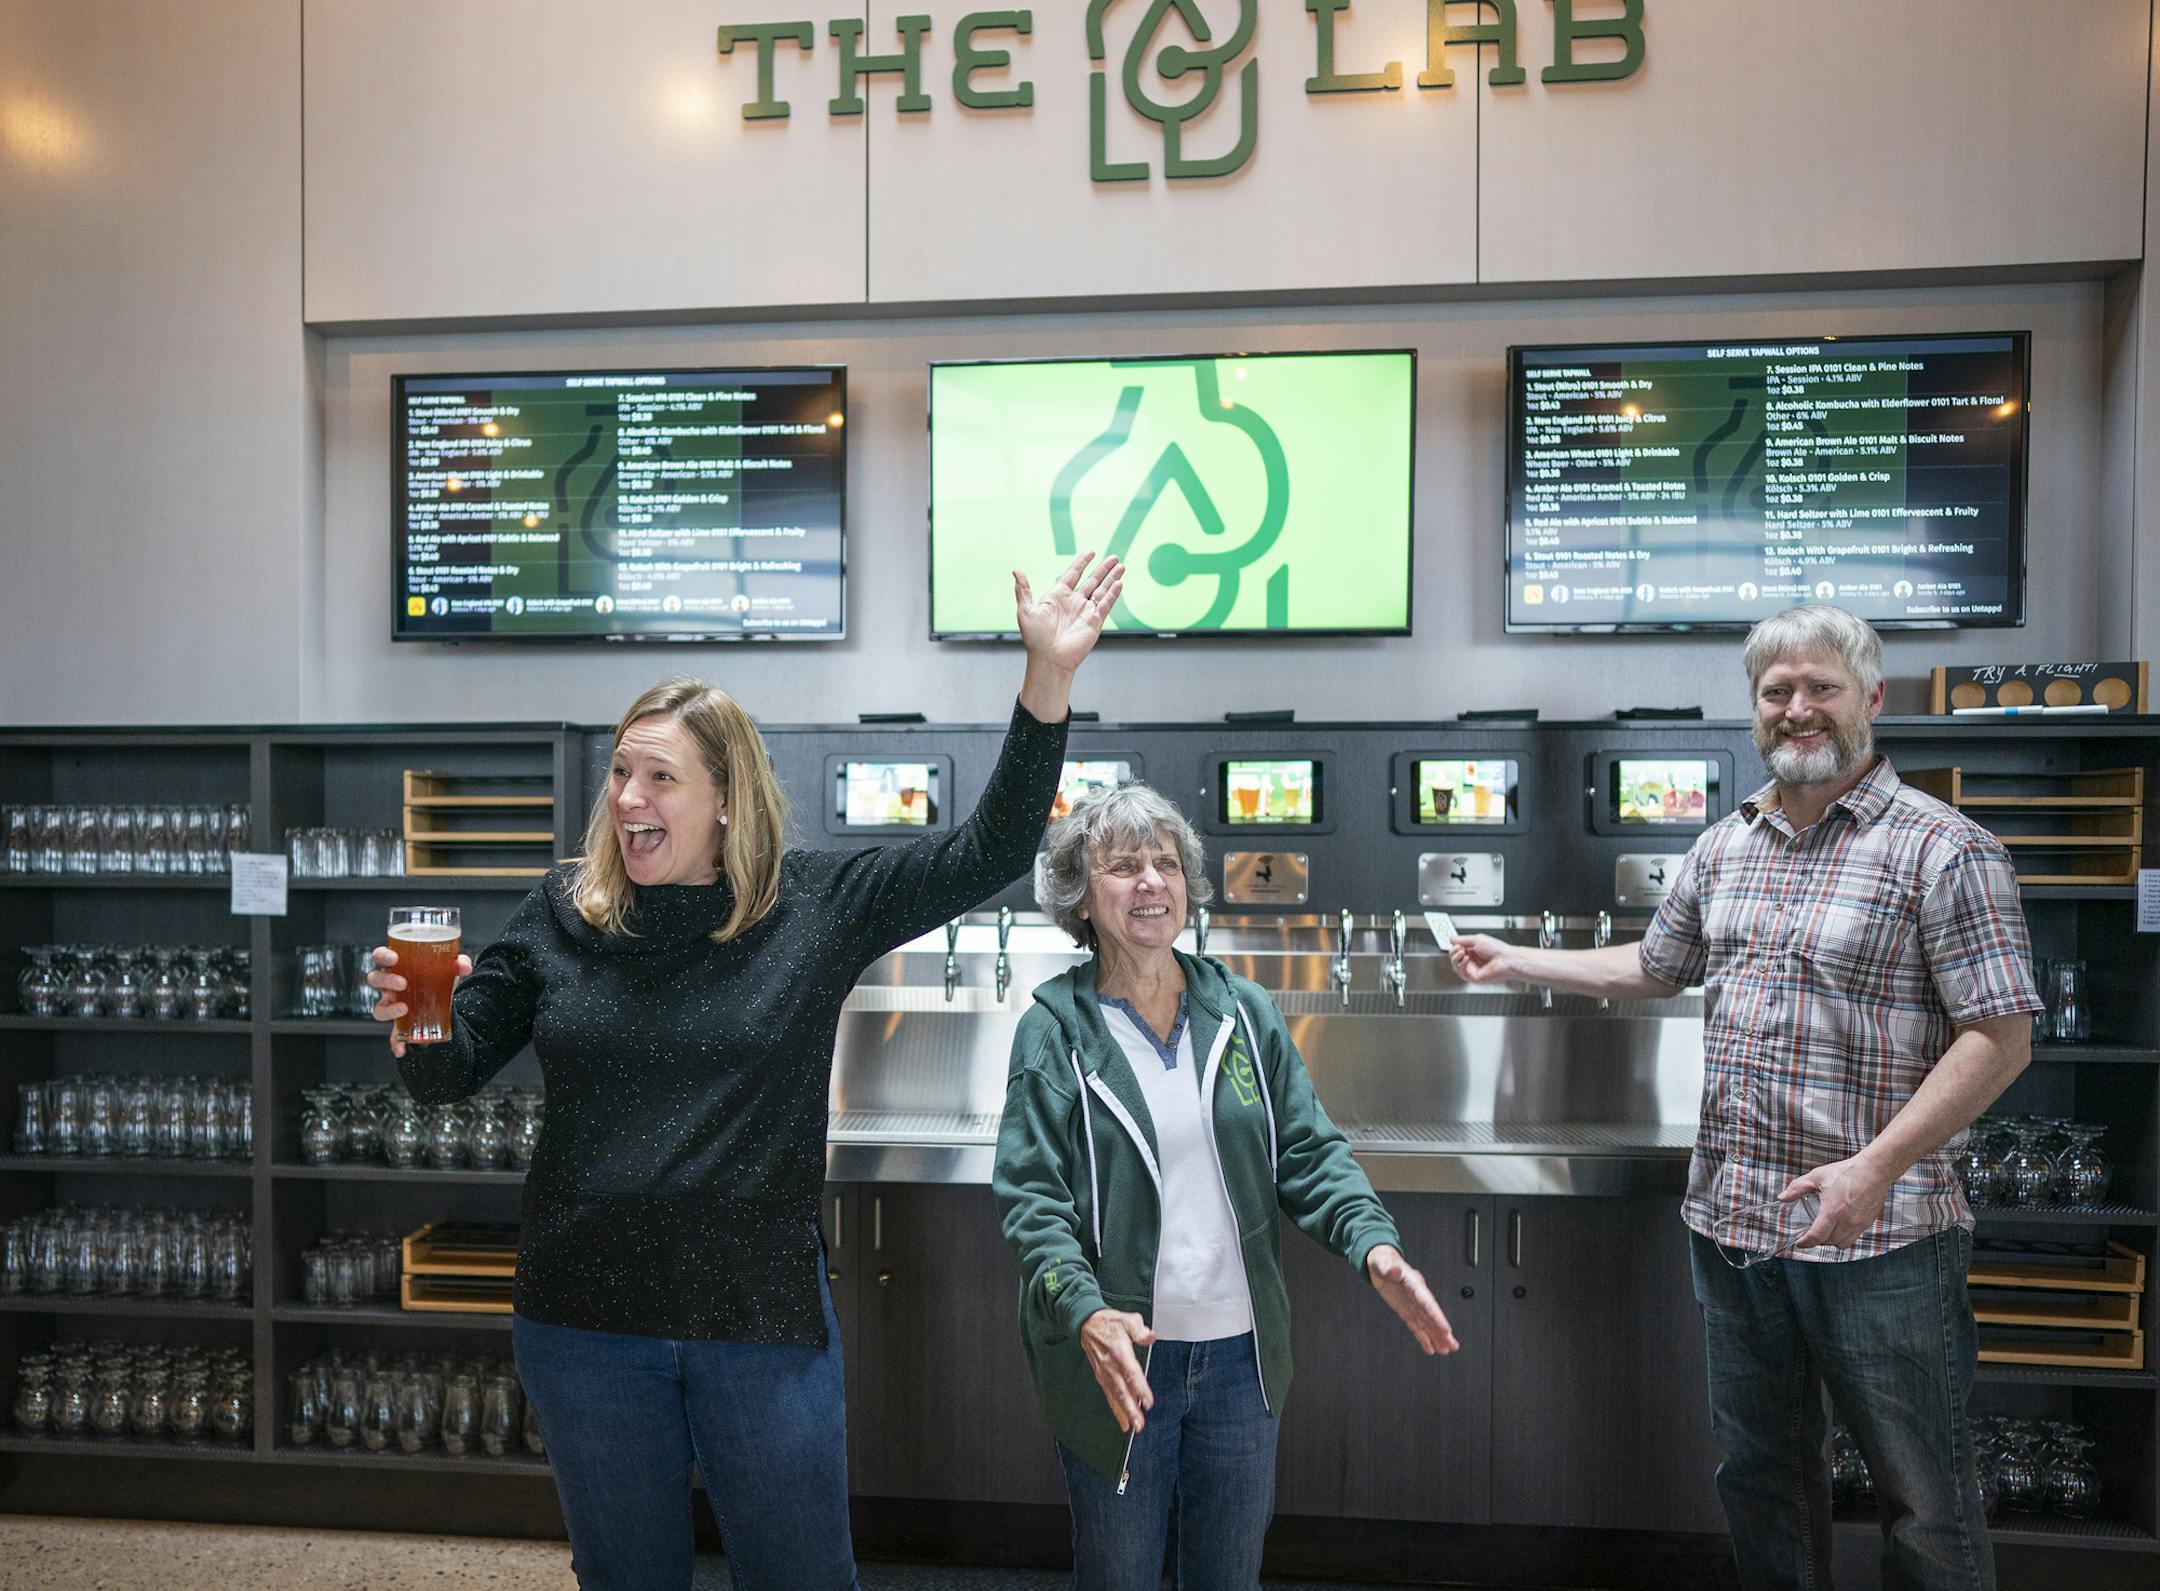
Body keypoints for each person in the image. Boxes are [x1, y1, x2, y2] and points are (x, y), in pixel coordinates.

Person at [365, 553, 1123, 1591]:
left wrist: (1048, 678)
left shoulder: (812, 906)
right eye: (622, 772)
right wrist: (413, 1025)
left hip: (756, 1322)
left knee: (802, 1576)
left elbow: (989, 848)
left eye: (661, 777)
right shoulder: (560, 912)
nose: (630, 796)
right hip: (584, 1323)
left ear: (725, 799)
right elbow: (446, 1079)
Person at [1451, 603, 2041, 1591]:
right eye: (1778, 692)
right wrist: (1516, 957)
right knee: (1760, 1475)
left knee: (1924, 1498)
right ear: (1756, 709)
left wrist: (1872, 1170)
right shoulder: (1728, 844)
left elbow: (2001, 1036)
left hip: (1881, 1235)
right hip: (1735, 1227)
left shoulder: (1945, 850)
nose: (1798, 709)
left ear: (1872, 700)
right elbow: (1655, 963)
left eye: (1821, 688)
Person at [995, 782, 1458, 1591]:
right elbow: (1033, 1197)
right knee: (1120, 1575)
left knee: (1228, 1577)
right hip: (1123, 1360)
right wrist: (1085, 1309)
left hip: (1242, 1362)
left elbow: (1309, 1151)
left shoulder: (1241, 1011)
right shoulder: (1056, 1028)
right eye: (1125, 866)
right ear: (1079, 894)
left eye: (1166, 863)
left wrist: (1375, 1248)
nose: (1152, 882)